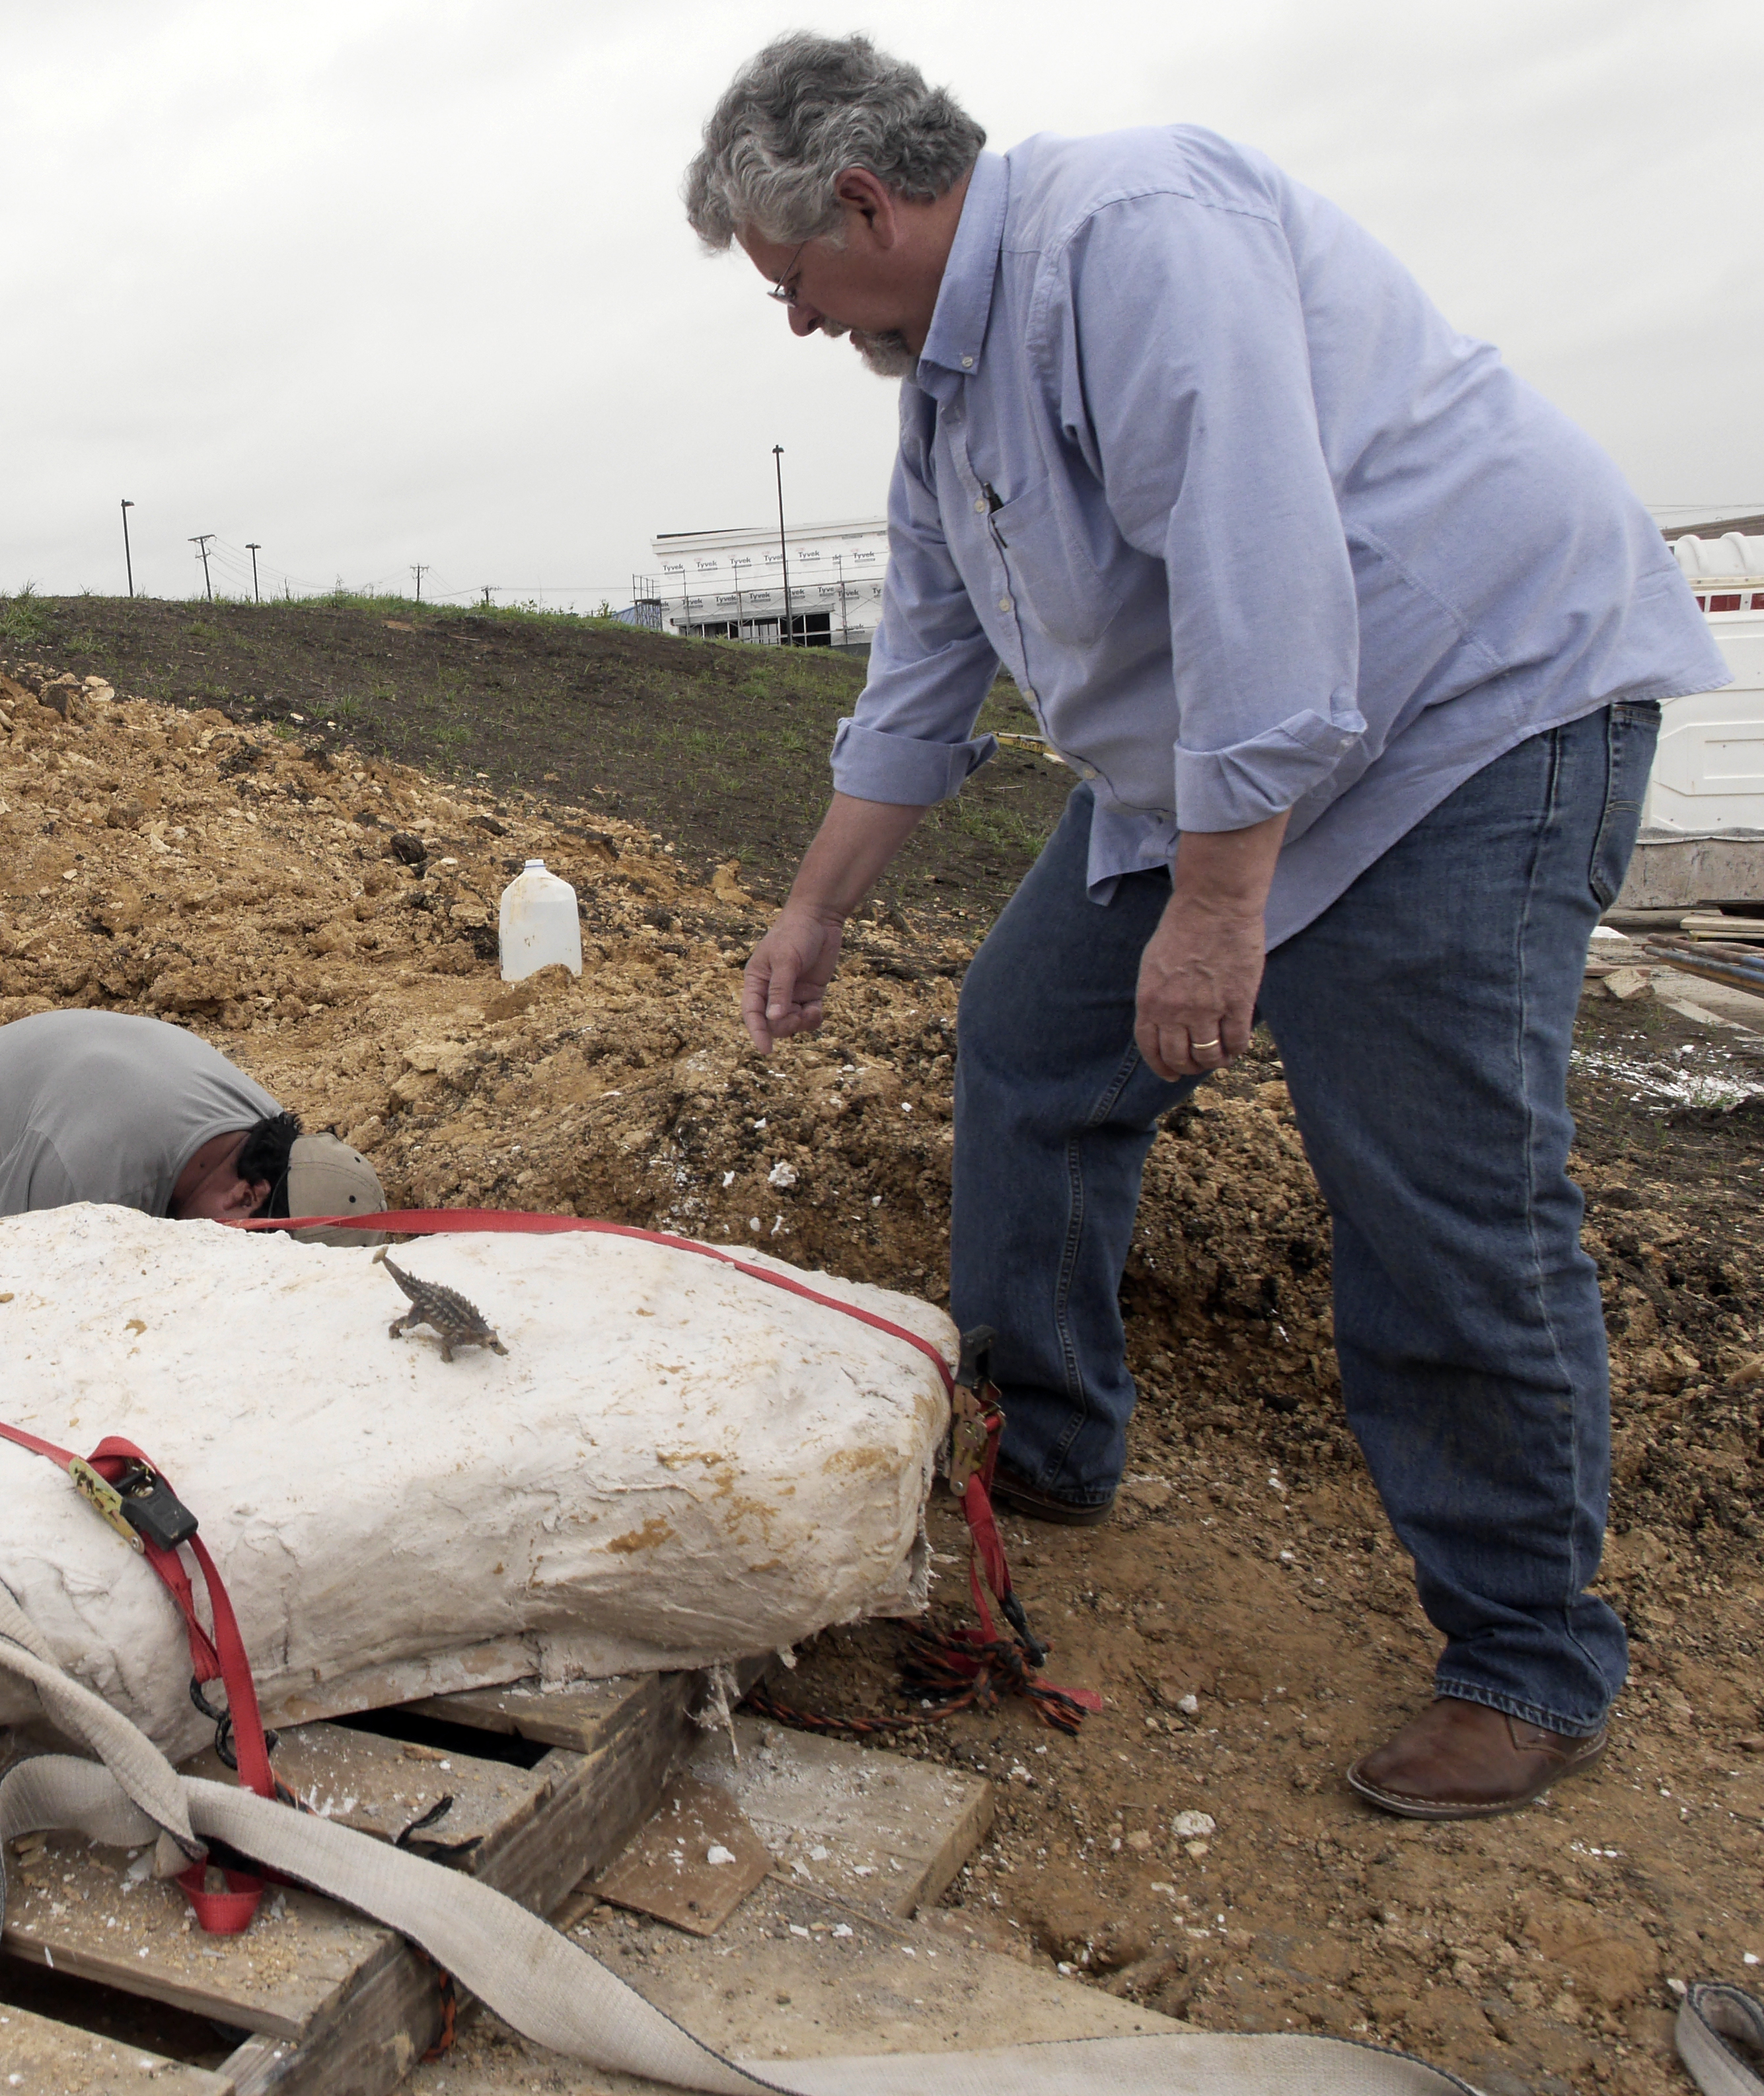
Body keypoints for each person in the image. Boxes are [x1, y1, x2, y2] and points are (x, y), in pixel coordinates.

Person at [687, 33, 1725, 1819]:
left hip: (1461, 720)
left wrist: (1222, 907)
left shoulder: (1131, 233)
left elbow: (1265, 567)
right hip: (1224, 759)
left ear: (865, 199)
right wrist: (811, 912)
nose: (793, 322)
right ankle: (1048, 1450)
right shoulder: (943, 399)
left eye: (791, 280)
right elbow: (926, 680)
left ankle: (1527, 1659)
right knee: (1028, 1041)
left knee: (1433, 1181)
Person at [0, 1009, 383, 1262]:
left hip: (63, 1091)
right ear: (247, 1196)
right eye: (254, 1259)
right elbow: (2, 1294)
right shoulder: (81, 1179)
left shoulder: (270, 1143)